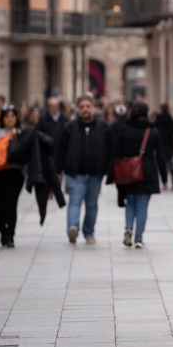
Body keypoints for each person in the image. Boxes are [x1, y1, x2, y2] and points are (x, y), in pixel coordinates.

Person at [55, 95, 115, 245]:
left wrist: (109, 169)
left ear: (93, 107)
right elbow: (61, 150)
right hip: (75, 173)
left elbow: (111, 149)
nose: (85, 109)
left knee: (92, 204)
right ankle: (73, 227)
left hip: (96, 173)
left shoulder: (103, 126)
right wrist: (58, 171)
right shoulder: (70, 127)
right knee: (75, 200)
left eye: (88, 106)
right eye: (82, 107)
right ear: (78, 109)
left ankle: (89, 232)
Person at [116, 102, 168, 248]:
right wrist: (164, 177)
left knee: (130, 202)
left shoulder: (124, 129)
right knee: (142, 206)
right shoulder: (152, 131)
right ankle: (138, 238)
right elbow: (160, 155)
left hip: (128, 173)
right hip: (147, 172)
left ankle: (128, 228)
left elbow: (118, 152)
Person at [0, 105, 24, 248]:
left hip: (15, 172)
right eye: (7, 116)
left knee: (11, 204)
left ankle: (10, 234)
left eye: (12, 116)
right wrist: (10, 137)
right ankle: (2, 230)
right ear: (2, 118)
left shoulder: (21, 131)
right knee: (0, 205)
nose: (10, 119)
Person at [154, 103, 173, 191]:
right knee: (172, 166)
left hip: (159, 146)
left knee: (161, 165)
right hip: (170, 146)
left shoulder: (157, 122)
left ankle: (164, 183)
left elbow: (154, 134)